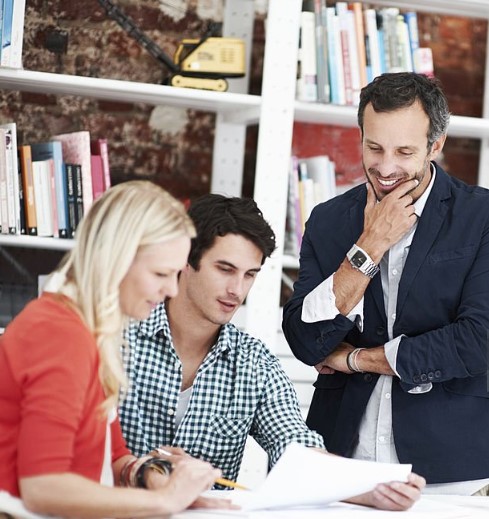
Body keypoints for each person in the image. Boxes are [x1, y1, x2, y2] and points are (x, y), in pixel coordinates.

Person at [120, 193, 425, 511]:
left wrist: (372, 489)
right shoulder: (116, 342)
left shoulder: (253, 363)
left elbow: (297, 449)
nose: (237, 290)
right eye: (225, 269)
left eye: (249, 274)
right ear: (185, 259)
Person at [282, 72, 489, 496]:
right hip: (340, 458)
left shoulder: (481, 217)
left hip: (452, 466)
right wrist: (368, 248)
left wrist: (355, 358)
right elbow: (305, 340)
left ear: (436, 145)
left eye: (404, 151)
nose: (386, 167)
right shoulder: (329, 219)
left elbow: (478, 339)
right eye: (374, 147)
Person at [0, 181, 232, 518]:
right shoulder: (59, 333)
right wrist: (165, 502)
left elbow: (110, 454)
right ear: (115, 260)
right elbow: (43, 486)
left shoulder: (90, 328)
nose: (170, 289)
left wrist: (152, 476)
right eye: (160, 273)